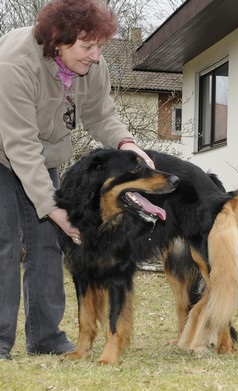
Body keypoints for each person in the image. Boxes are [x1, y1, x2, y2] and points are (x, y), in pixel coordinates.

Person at [0, 0, 154, 360]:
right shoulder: (15, 66)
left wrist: (127, 142)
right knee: (5, 243)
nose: (96, 56)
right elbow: (21, 147)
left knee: (47, 245)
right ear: (58, 42)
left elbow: (102, 115)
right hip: (4, 149)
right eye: (87, 47)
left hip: (44, 155)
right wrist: (54, 209)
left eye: (99, 45)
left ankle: (46, 338)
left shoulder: (92, 66)